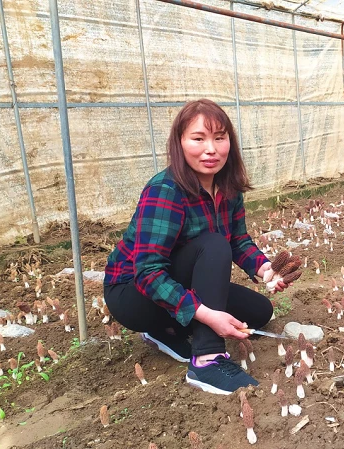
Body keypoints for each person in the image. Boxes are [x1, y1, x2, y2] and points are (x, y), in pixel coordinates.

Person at [103, 99, 287, 395]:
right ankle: (207, 361)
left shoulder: (227, 189)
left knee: (258, 311)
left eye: (219, 137)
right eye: (198, 138)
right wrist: (207, 314)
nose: (211, 149)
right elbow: (148, 272)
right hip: (132, 294)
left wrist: (264, 268)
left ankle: (165, 330)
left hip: (174, 284)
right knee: (213, 245)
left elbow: (238, 240)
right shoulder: (165, 191)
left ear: (230, 141)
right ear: (180, 143)